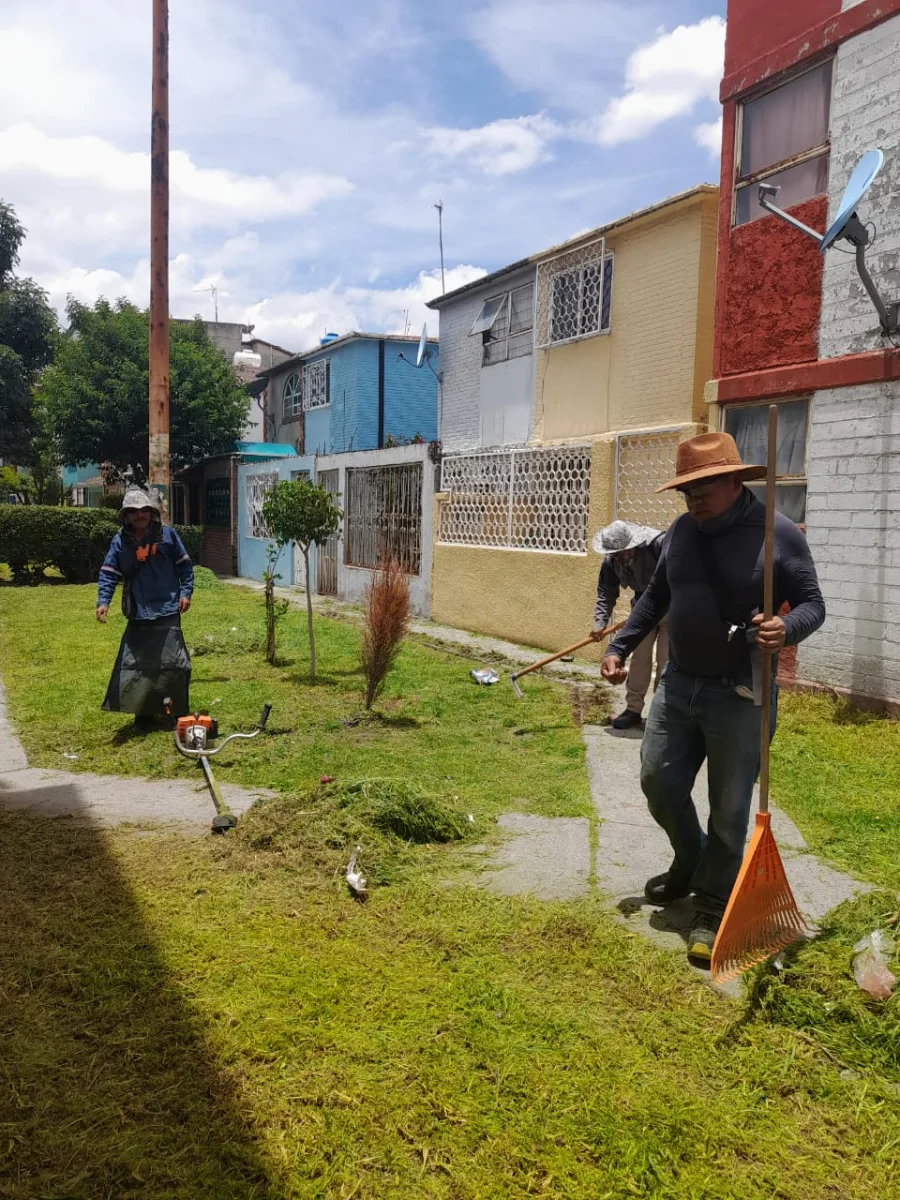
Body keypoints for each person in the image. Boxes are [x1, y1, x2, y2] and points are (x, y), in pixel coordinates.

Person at [600, 432, 825, 963]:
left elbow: (813, 605)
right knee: (658, 779)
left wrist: (785, 628)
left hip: (741, 692)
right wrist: (621, 644)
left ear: (733, 480)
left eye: (704, 487)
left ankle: (712, 902)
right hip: (678, 683)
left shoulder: (777, 534)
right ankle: (690, 860)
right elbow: (657, 596)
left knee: (730, 808)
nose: (693, 499)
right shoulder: (680, 532)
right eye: (686, 490)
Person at [96, 487, 194, 729]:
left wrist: (185, 593)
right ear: (126, 516)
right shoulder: (119, 542)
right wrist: (103, 602)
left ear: (151, 513)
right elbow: (109, 573)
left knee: (174, 663)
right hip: (139, 612)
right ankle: (144, 713)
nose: (139, 516)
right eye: (133, 512)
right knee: (138, 665)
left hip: (168, 608)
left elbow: (185, 567)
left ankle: (175, 711)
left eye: (144, 511)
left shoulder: (168, 536)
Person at [591, 521, 667, 730]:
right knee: (638, 659)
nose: (621, 556)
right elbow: (606, 593)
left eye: (624, 551)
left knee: (665, 662)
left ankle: (660, 713)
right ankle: (633, 709)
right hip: (641, 611)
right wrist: (600, 623)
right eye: (616, 553)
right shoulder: (612, 560)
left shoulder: (658, 545)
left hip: (671, 608)